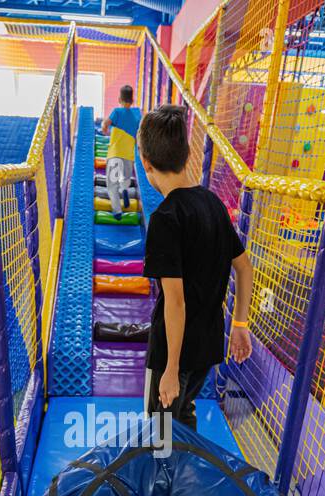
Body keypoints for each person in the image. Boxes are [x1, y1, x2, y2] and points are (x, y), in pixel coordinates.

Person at [137, 104, 253, 431]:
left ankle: (164, 482)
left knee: (159, 434)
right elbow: (244, 268)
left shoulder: (165, 219)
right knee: (184, 416)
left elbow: (175, 301)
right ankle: (184, 478)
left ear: (147, 165)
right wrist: (240, 323)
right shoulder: (213, 204)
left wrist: (171, 368)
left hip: (175, 352)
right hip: (207, 346)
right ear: (188, 155)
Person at [100, 85, 140, 217]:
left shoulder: (116, 112)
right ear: (132, 101)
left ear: (119, 99)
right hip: (129, 156)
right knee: (126, 178)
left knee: (111, 184)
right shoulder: (136, 115)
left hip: (115, 154)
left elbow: (106, 123)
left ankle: (117, 211)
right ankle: (124, 189)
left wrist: (104, 129)